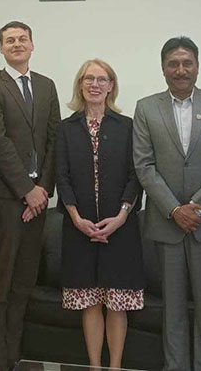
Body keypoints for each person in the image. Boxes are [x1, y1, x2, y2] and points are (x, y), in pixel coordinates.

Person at [133, 36, 201, 371]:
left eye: (187, 63)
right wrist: (174, 209)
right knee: (173, 307)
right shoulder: (146, 107)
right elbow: (144, 165)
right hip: (167, 223)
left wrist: (196, 207)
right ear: (163, 68)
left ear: (197, 66)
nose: (180, 70)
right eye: (173, 64)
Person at [0, 21, 61, 371]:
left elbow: (54, 140)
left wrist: (42, 191)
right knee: (0, 285)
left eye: (22, 39)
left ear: (32, 44)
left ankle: (16, 356)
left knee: (24, 283)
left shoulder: (46, 85)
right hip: (7, 201)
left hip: (38, 201)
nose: (17, 44)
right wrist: (26, 191)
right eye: (9, 40)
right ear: (1, 48)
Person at [56, 59, 143, 368]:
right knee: (90, 302)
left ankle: (115, 366)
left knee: (117, 303)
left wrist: (121, 216)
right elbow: (61, 177)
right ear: (80, 84)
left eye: (101, 79)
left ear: (111, 86)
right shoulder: (66, 128)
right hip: (79, 228)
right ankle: (94, 366)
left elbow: (136, 175)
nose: (95, 84)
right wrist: (76, 218)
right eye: (88, 79)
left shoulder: (127, 126)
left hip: (120, 229)